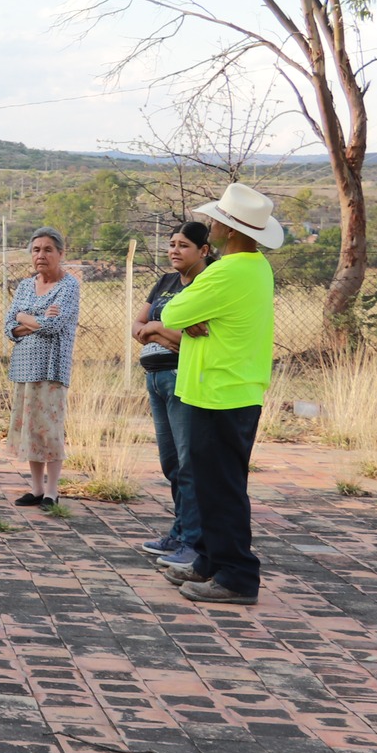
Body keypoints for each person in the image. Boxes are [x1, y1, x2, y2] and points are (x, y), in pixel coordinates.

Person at [157, 183, 283, 606]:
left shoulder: (228, 271)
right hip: (229, 388)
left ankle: (236, 575)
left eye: (217, 220)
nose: (211, 225)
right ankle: (210, 561)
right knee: (213, 484)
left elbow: (171, 311)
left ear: (229, 228)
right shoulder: (257, 266)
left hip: (219, 392)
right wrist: (197, 314)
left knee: (221, 487)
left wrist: (192, 313)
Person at [131, 222, 213, 572]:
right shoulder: (165, 283)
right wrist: (159, 332)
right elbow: (137, 327)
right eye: (172, 244)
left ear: (204, 251)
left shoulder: (207, 284)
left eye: (183, 245)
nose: (174, 251)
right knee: (170, 461)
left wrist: (156, 330)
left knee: (187, 461)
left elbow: (194, 338)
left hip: (184, 379)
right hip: (155, 379)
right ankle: (178, 531)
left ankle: (193, 541)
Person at [5, 227, 81, 510]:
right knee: (31, 430)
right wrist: (34, 318)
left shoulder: (69, 285)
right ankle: (36, 489)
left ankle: (52, 491)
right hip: (23, 369)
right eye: (36, 250)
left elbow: (54, 326)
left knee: (50, 430)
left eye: (48, 249)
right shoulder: (25, 285)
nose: (41, 255)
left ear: (61, 254)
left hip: (51, 369)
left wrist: (25, 317)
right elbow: (8, 327)